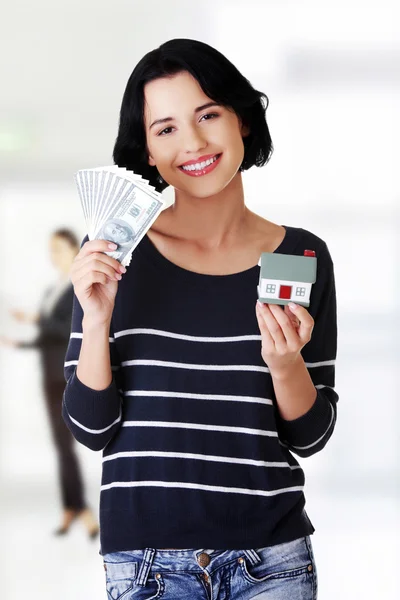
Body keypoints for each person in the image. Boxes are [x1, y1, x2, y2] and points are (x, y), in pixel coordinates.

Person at [62, 39, 338, 599]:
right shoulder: (117, 252)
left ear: (242, 119)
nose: (193, 143)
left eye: (208, 114)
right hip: (148, 564)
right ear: (146, 151)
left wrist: (285, 366)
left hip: (274, 562)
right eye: (165, 128)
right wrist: (96, 321)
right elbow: (91, 429)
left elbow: (311, 436)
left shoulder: (297, 257)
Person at [0, 229, 99, 539]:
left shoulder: (77, 286)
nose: (54, 255)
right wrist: (19, 344)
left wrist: (34, 319)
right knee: (60, 446)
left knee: (68, 446)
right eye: (51, 250)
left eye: (59, 249)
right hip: (48, 375)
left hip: (66, 374)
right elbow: (47, 337)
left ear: (73, 250)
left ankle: (81, 509)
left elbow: (70, 327)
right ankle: (71, 506)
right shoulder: (51, 290)